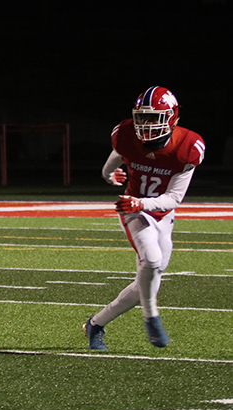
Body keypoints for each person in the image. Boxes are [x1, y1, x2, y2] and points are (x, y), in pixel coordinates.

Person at [84, 86, 205, 351]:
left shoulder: (187, 147)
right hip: (132, 209)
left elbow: (173, 198)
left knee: (148, 281)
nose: (146, 124)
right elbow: (117, 156)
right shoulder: (126, 134)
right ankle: (151, 318)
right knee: (151, 260)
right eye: (143, 117)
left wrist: (143, 202)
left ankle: (95, 323)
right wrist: (109, 175)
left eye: (154, 117)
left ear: (171, 117)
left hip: (160, 211)